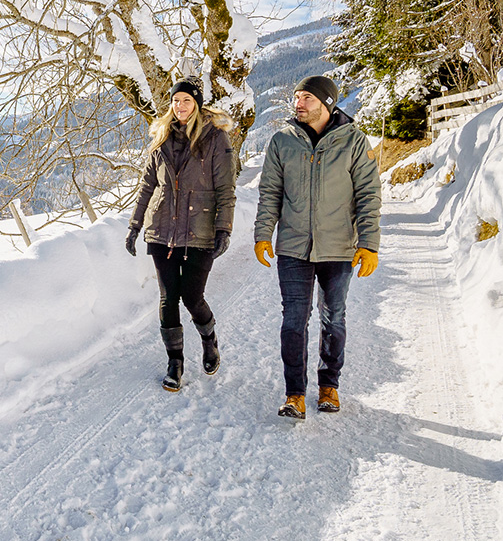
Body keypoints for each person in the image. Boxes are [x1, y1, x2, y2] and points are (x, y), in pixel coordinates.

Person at [253, 74, 381, 419]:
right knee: (293, 321)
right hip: (293, 247)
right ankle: (295, 394)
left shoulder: (354, 142)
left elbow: (369, 196)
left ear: (327, 103)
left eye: (307, 97)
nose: (299, 103)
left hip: (338, 248)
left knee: (333, 317)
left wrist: (368, 244)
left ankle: (329, 386)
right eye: (296, 97)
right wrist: (263, 234)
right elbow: (270, 194)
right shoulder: (282, 141)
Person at [127, 80, 236, 392]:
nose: (180, 106)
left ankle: (209, 339)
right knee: (167, 297)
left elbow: (226, 189)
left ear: (197, 104)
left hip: (198, 231)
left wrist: (223, 228)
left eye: (186, 100)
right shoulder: (161, 138)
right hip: (161, 230)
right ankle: (175, 362)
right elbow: (148, 186)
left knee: (192, 296)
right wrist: (135, 225)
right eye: (176, 101)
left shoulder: (215, 138)